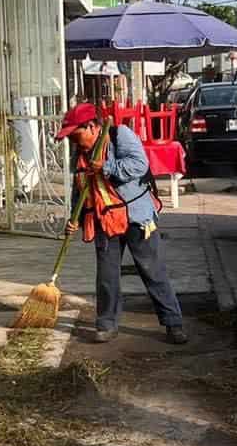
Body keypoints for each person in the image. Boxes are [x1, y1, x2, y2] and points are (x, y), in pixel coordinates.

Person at [56, 102, 187, 345]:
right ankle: (106, 324)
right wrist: (74, 217)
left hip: (137, 217)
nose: (74, 142)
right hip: (105, 220)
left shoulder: (119, 135)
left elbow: (140, 165)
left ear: (92, 127)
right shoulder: (80, 154)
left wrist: (106, 167)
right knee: (106, 276)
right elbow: (80, 188)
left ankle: (173, 323)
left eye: (77, 135)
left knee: (152, 271)